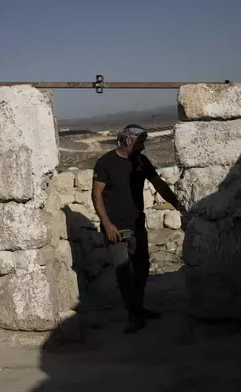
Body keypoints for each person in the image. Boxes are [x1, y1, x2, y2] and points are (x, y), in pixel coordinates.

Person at [91, 123, 187, 334]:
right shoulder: (105, 163)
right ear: (128, 141)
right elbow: (96, 195)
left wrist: (178, 205)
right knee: (123, 272)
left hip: (137, 225)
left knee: (142, 268)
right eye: (140, 142)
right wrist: (107, 224)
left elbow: (159, 185)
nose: (143, 147)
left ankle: (139, 307)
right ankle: (134, 315)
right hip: (115, 229)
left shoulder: (141, 162)